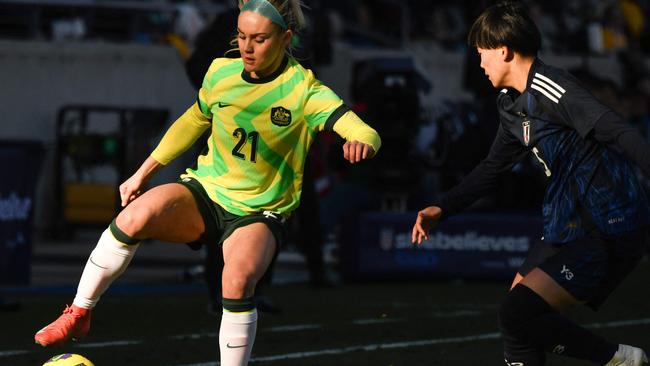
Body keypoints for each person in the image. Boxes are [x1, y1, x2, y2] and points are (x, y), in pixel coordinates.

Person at [34, 1, 381, 366]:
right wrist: (143, 173)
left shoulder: (304, 91)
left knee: (236, 279)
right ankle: (79, 312)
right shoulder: (221, 73)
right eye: (242, 36)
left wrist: (361, 142)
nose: (247, 47)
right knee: (134, 216)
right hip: (205, 191)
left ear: (285, 37)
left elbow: (364, 130)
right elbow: (192, 122)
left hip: (258, 211)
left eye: (259, 39)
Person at [412, 2, 650, 366]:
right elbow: (493, 167)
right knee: (515, 321)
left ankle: (620, 360)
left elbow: (618, 132)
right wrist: (442, 207)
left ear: (503, 50)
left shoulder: (553, 88)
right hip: (566, 224)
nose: (479, 63)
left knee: (517, 313)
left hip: (607, 224)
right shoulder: (510, 104)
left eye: (481, 53)